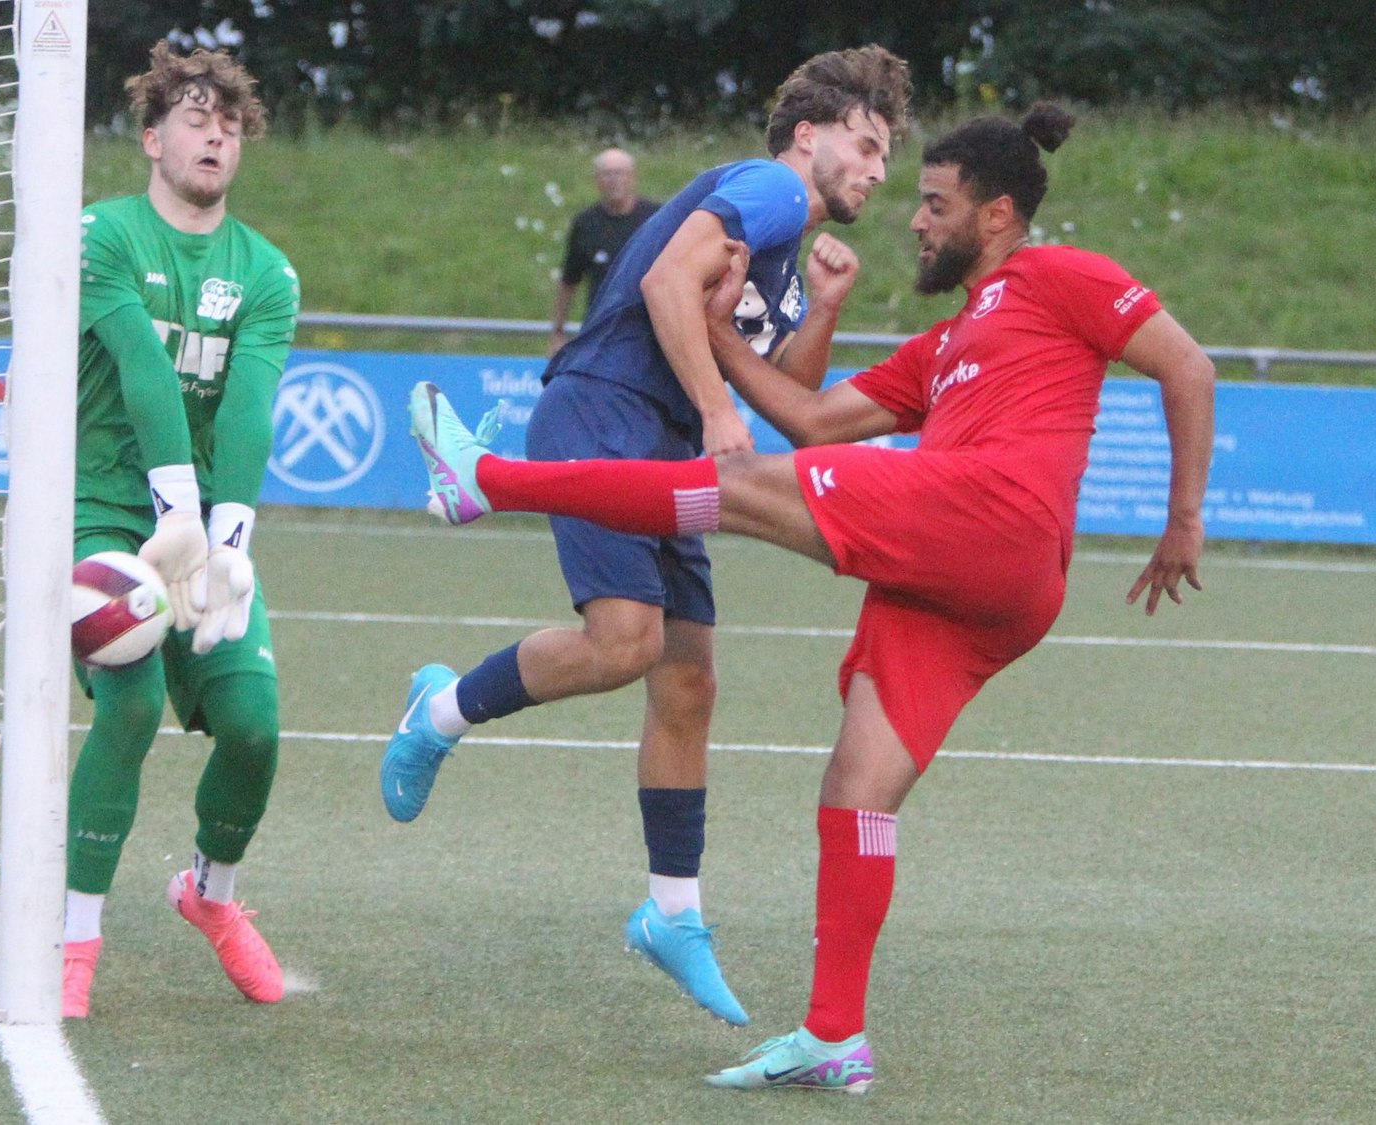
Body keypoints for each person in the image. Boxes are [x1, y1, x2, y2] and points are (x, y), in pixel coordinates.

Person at [407, 103, 1215, 1092]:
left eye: (932, 202)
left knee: (734, 490)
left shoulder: (1059, 275)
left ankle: (486, 481)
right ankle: (834, 1035)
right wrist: (723, 336)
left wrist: (1181, 520)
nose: (913, 220)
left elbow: (1186, 364)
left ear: (996, 213)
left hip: (988, 518)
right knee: (856, 790)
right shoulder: (948, 342)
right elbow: (814, 419)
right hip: (979, 586)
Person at [379, 45, 912, 1028]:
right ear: (810, 134)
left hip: (655, 439)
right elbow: (669, 286)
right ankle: (440, 710)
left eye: (885, 158)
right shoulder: (771, 189)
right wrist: (715, 415)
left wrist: (824, 309)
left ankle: (672, 914)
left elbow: (784, 388)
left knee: (687, 680)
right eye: (867, 145)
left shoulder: (786, 244)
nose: (878, 172)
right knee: (625, 643)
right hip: (605, 412)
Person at [62, 42, 301, 1018]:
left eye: (229, 124)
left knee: (253, 726)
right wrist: (177, 517)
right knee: (129, 706)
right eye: (196, 119)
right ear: (153, 137)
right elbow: (140, 367)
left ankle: (210, 893)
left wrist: (228, 542)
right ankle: (72, 938)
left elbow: (247, 404)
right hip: (103, 511)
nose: (215, 135)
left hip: (205, 524)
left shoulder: (266, 273)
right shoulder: (103, 235)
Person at [548, 148, 661, 356]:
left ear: (633, 177)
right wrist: (558, 331)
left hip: (649, 330)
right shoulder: (585, 223)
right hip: (600, 330)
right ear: (597, 180)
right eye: (607, 174)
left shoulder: (657, 218)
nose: (614, 180)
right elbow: (569, 280)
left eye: (620, 173)